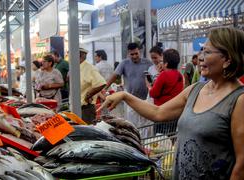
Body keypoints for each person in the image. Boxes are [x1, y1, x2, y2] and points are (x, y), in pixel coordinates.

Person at [98, 27, 244, 179]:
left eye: (207, 52)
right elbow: (158, 112)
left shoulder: (238, 100)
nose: (200, 57)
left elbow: (241, 165)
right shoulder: (195, 90)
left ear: (227, 59)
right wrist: (125, 96)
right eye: (201, 51)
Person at [105, 42, 152, 127]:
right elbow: (115, 76)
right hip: (131, 100)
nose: (134, 56)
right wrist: (105, 88)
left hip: (146, 99)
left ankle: (144, 140)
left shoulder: (148, 63)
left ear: (140, 52)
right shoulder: (124, 63)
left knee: (145, 124)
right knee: (132, 124)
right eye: (132, 54)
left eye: (136, 53)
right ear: (128, 54)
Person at [147, 49, 183, 136]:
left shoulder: (163, 75)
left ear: (166, 63)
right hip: (174, 113)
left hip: (162, 112)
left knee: (160, 139)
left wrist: (149, 87)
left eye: (163, 61)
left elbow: (153, 93)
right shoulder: (179, 75)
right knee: (170, 138)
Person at [79, 47, 106, 123]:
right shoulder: (76, 67)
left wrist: (88, 95)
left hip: (85, 108)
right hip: (77, 107)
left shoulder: (89, 68)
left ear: (79, 55)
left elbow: (101, 83)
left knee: (86, 132)